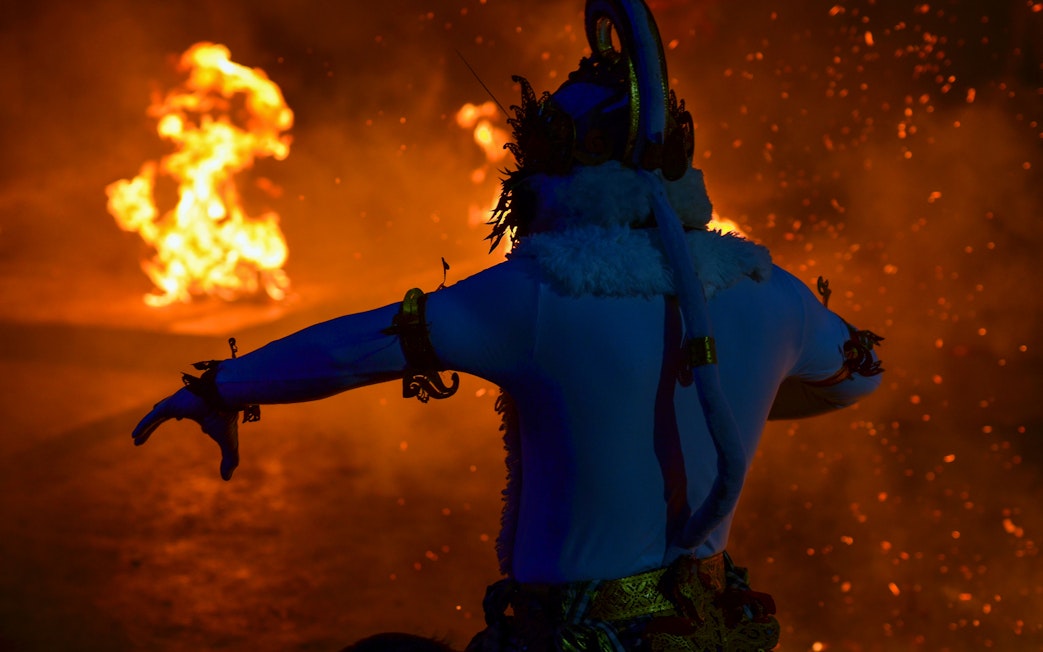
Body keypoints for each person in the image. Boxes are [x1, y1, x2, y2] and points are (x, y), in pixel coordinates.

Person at [133, 1, 883, 649]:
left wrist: (222, 387)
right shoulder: (768, 290)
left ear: (551, 168)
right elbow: (858, 375)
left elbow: (354, 348)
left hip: (571, 641)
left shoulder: (545, 292)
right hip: (710, 634)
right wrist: (737, 391)